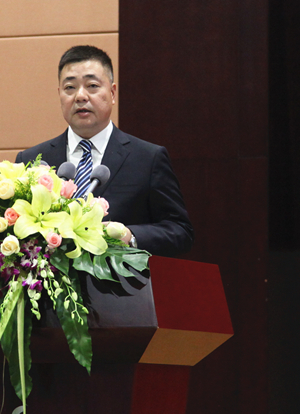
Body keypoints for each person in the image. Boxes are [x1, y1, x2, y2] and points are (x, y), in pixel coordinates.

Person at [16, 45, 194, 257]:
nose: (80, 96)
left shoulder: (148, 159)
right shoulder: (33, 160)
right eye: (70, 88)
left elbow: (180, 231)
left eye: (92, 86)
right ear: (59, 95)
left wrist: (130, 236)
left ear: (112, 93)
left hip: (121, 277)